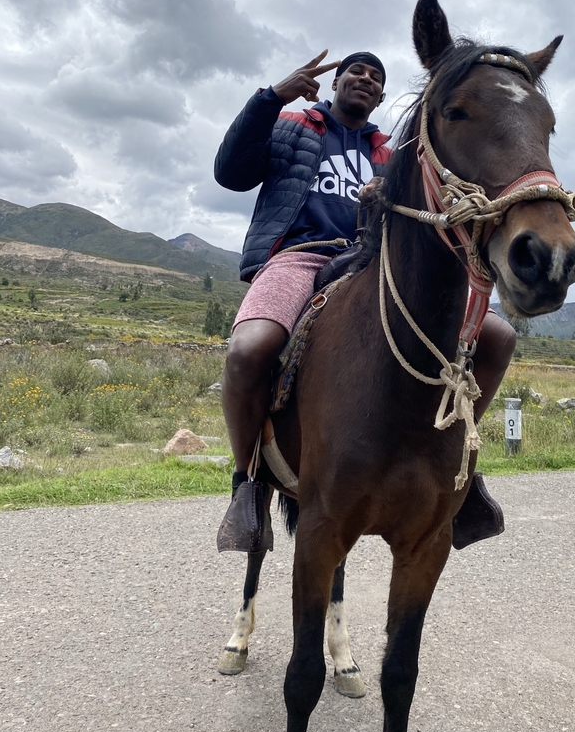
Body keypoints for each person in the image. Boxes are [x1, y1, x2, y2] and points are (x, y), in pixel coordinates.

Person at [214, 51, 514, 550]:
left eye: (377, 77)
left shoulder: (392, 156)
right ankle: (247, 486)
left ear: (380, 96)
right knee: (249, 350)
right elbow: (230, 172)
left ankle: (455, 458)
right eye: (357, 71)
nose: (367, 79)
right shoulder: (292, 127)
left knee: (498, 337)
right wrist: (271, 98)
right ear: (334, 82)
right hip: (300, 255)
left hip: (373, 265)